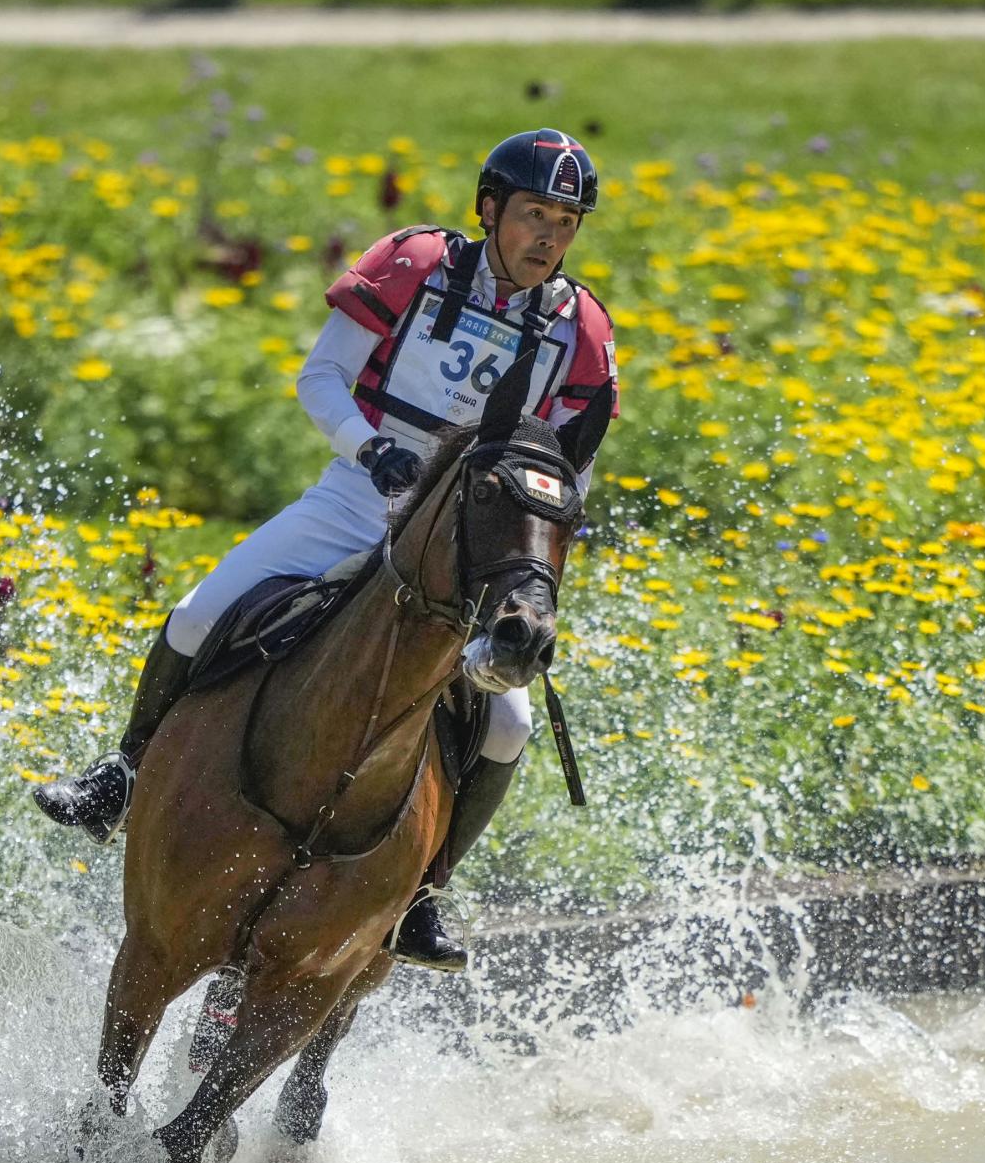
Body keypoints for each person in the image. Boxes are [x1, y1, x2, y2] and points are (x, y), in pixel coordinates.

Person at [34, 128, 619, 972]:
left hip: (464, 540)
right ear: (490, 209)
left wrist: (521, 546)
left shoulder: (583, 326)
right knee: (198, 615)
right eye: (535, 215)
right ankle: (121, 779)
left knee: (507, 722)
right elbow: (320, 378)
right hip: (359, 497)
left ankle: (421, 895)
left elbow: (573, 464)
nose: (550, 239)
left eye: (566, 223)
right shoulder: (414, 263)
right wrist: (364, 446)